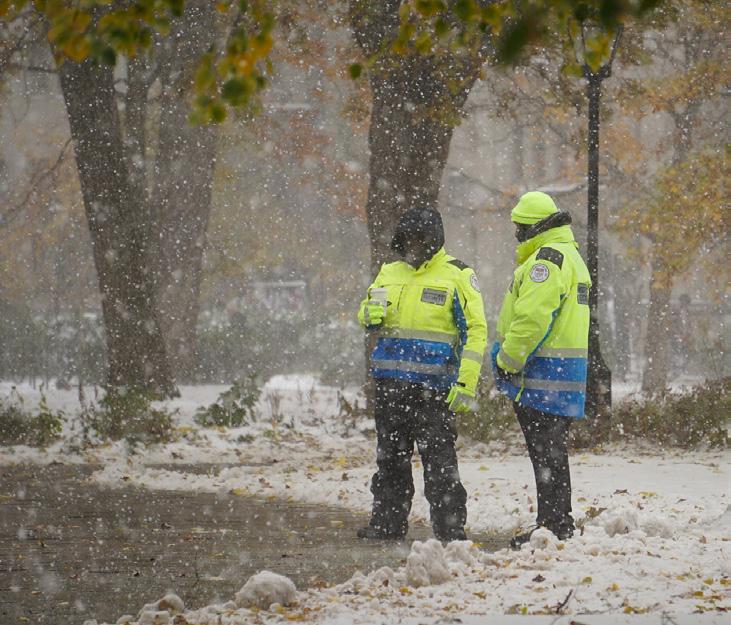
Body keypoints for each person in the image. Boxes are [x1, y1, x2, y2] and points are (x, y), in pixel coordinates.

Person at [356, 206, 487, 542]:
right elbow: (366, 311)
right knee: (390, 460)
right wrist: (368, 314)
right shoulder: (389, 271)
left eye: (420, 239)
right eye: (408, 239)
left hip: (434, 389)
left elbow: (475, 330)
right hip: (390, 386)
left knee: (440, 463)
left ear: (434, 239)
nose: (413, 245)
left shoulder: (457, 275)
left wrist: (466, 382)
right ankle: (387, 524)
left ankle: (450, 529)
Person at [491, 191, 591, 549]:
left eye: (520, 227)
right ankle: (556, 521)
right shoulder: (570, 257)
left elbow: (531, 320)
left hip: (542, 375)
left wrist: (507, 360)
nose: (517, 233)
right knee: (552, 453)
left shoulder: (545, 262)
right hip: (565, 373)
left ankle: (553, 525)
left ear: (534, 227)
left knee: (546, 453)